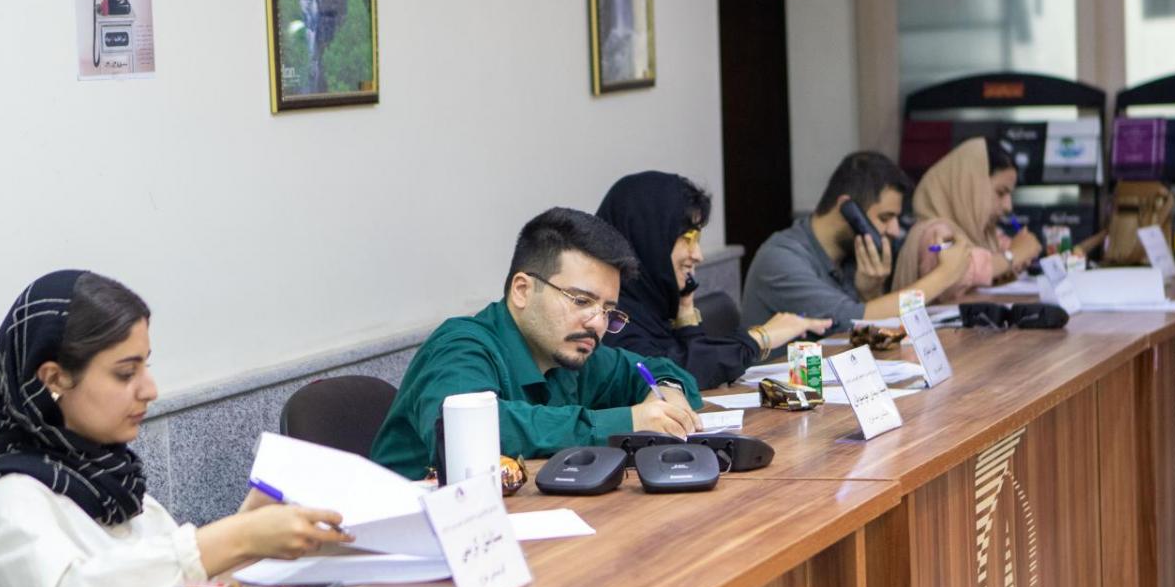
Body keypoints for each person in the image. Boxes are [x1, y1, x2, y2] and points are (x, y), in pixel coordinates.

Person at [0, 270, 348, 587]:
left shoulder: (104, 475)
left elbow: (158, 580)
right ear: (53, 379)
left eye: (145, 367)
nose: (149, 389)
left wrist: (247, 533)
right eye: (126, 373)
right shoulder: (7, 498)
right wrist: (238, 537)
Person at [370, 208, 705, 478]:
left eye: (608, 311)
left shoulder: (573, 352)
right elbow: (468, 433)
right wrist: (629, 422)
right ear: (522, 290)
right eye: (581, 300)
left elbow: (653, 368)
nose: (597, 323)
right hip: (419, 532)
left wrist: (669, 392)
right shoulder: (459, 347)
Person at [596, 171, 830, 389]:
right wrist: (760, 338)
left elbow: (696, 367)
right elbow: (672, 376)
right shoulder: (608, 317)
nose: (698, 255)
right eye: (688, 238)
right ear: (649, 239)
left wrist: (686, 311)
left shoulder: (652, 306)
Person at [742, 151, 974, 332]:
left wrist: (870, 293)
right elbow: (853, 319)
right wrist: (945, 274)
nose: (894, 230)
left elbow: (873, 327)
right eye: (885, 218)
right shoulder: (781, 259)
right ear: (847, 209)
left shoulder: (853, 253)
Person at [899, 136, 1036, 291]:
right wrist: (1013, 255)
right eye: (1000, 193)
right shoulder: (934, 233)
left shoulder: (981, 233)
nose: (1008, 206)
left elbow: (1000, 255)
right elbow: (956, 273)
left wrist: (1019, 252)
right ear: (968, 187)